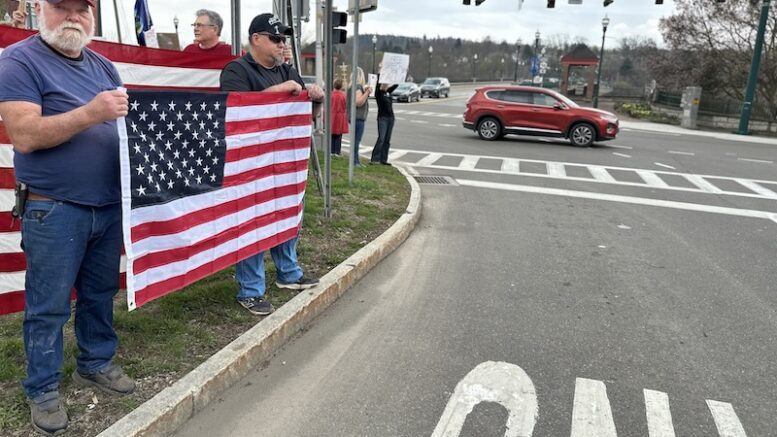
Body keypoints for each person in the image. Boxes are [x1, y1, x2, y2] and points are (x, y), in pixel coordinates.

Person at [0, 0, 136, 434]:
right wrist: (92, 113)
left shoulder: (104, 66)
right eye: (62, 6)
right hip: (53, 207)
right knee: (49, 305)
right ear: (41, 9)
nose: (73, 16)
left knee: (99, 294)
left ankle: (95, 362)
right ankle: (42, 387)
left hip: (108, 205)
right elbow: (24, 135)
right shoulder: (18, 61)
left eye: (84, 8)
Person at [220, 12, 324, 316]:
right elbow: (235, 114)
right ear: (256, 39)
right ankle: (250, 290)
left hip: (285, 161)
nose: (282, 45)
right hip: (251, 165)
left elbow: (307, 118)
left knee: (286, 216)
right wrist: (283, 90)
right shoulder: (236, 70)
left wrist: (314, 99)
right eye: (276, 38)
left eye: (284, 39)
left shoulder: (287, 70)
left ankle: (288, 273)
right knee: (253, 223)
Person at [370, 78, 399, 165]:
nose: (385, 85)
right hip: (382, 118)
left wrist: (402, 73)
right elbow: (378, 84)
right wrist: (381, 73)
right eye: (384, 84)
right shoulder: (379, 94)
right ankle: (375, 158)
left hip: (391, 118)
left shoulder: (388, 93)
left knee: (387, 140)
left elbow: (396, 84)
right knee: (381, 138)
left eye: (386, 84)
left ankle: (383, 159)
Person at [349, 67, 371, 167]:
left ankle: (356, 160)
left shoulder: (351, 87)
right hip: (358, 117)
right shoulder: (357, 87)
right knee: (356, 141)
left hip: (353, 116)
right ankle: (355, 161)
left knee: (355, 140)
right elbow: (358, 102)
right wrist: (367, 93)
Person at [330, 78, 348, 156]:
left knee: (332, 134)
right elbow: (346, 105)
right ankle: (337, 151)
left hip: (332, 115)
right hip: (340, 116)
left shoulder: (330, 95)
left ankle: (331, 151)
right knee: (339, 135)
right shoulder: (343, 95)